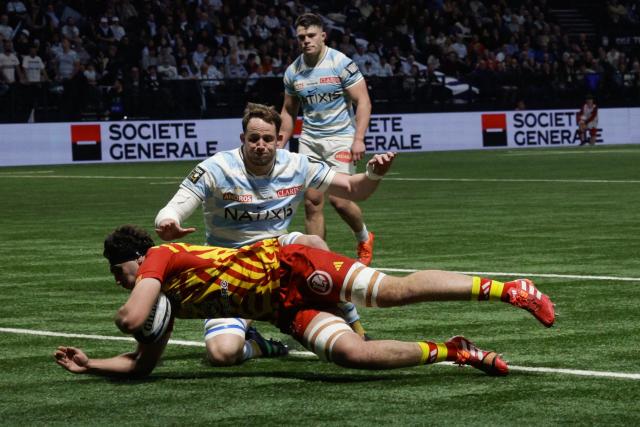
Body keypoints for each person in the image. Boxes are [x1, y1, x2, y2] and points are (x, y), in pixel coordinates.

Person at [53, 225, 555, 378]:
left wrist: (130, 313)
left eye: (120, 273)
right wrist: (89, 363)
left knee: (391, 292)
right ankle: (455, 350)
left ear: (137, 260)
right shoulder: (165, 300)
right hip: (284, 310)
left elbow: (133, 317)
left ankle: (508, 289)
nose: (120, 282)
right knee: (352, 356)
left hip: (290, 265)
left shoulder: (160, 257)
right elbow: (142, 365)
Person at [154, 103, 394, 365]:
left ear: (279, 140)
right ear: (242, 139)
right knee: (222, 354)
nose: (260, 145)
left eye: (267, 138)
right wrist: (168, 221)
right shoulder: (217, 167)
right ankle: (258, 345)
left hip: (276, 257)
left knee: (313, 243)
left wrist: (372, 174)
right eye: (253, 138)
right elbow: (177, 204)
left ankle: (353, 324)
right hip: (226, 269)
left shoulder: (297, 165)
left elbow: (351, 188)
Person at [279, 13, 375, 266]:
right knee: (312, 202)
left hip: (341, 138)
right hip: (310, 140)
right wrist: (281, 139)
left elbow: (362, 100)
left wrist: (359, 139)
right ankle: (318, 262)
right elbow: (289, 110)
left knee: (340, 200)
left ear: (323, 36)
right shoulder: (293, 72)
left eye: (311, 36)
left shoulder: (341, 63)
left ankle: (364, 237)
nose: (306, 41)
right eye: (301, 37)